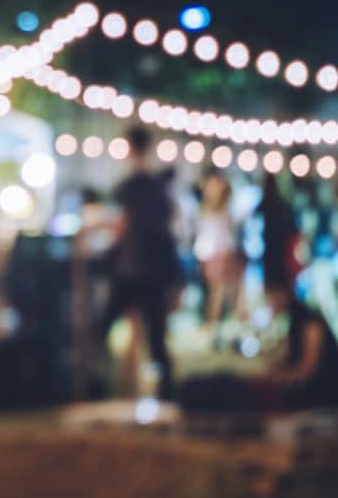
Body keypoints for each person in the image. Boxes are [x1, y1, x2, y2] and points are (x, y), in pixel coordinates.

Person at [102, 126, 182, 399]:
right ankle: (165, 389)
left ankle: (101, 380)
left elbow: (120, 227)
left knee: (104, 325)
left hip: (132, 269)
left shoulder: (130, 186)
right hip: (155, 269)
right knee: (156, 334)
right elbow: (170, 223)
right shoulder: (158, 186)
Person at [180, 274, 338, 412]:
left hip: (320, 393)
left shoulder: (311, 321)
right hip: (306, 388)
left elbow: (307, 370)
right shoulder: (294, 319)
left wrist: (280, 377)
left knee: (244, 394)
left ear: (283, 293)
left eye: (270, 296)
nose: (270, 302)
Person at [196, 171, 244, 328]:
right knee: (218, 290)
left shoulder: (224, 207)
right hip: (215, 252)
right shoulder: (209, 208)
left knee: (222, 290)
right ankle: (214, 320)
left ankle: (217, 320)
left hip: (221, 252)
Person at [257, 173, 300, 293]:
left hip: (269, 252)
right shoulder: (284, 206)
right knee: (283, 288)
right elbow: (294, 231)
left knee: (271, 286)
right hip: (283, 252)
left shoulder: (263, 205)